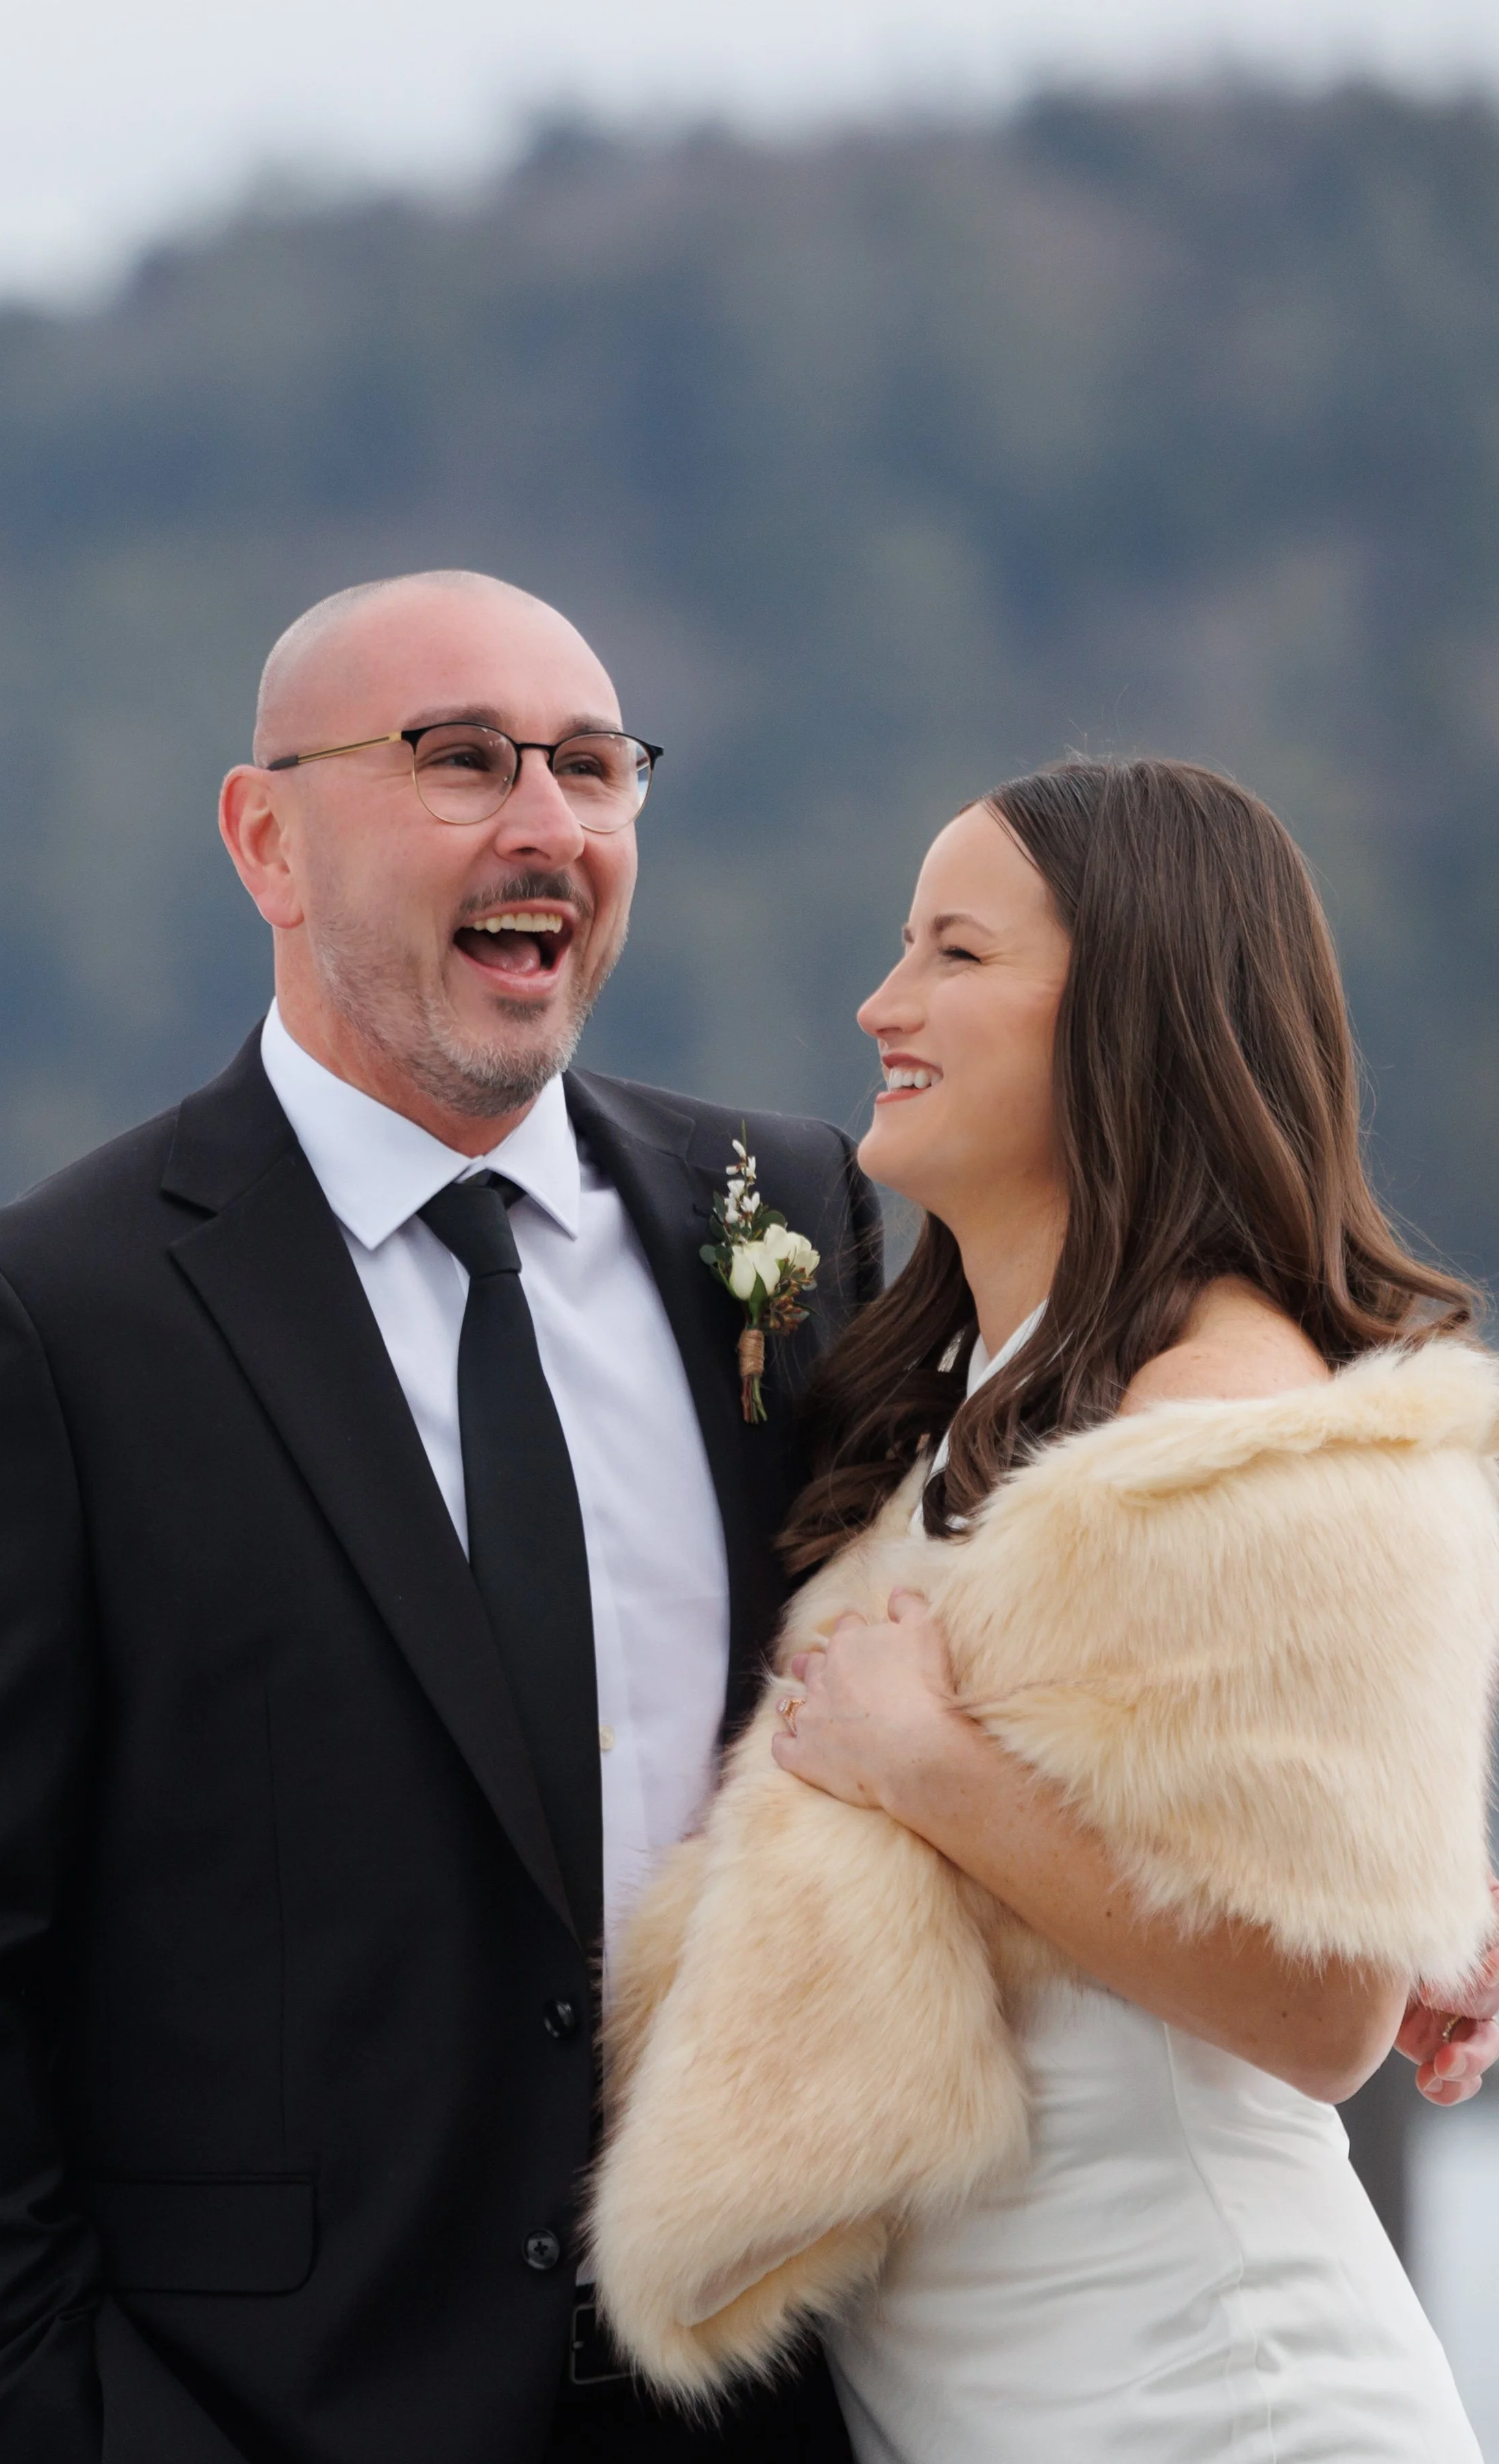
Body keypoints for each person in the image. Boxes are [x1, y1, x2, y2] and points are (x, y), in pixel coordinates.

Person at [0, 571, 875, 2462]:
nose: (546, 823)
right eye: (461, 760)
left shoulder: (789, 1218)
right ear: (268, 839)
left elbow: (985, 1638)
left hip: (770, 2408)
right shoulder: (34, 1324)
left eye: (591, 766)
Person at [594, 759, 1499, 2461]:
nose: (883, 1003)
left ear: (1130, 1017)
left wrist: (929, 1766)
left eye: (956, 954)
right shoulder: (957, 1409)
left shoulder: (1225, 1427)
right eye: (898, 948)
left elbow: (1327, 2015)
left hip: (1221, 2407)